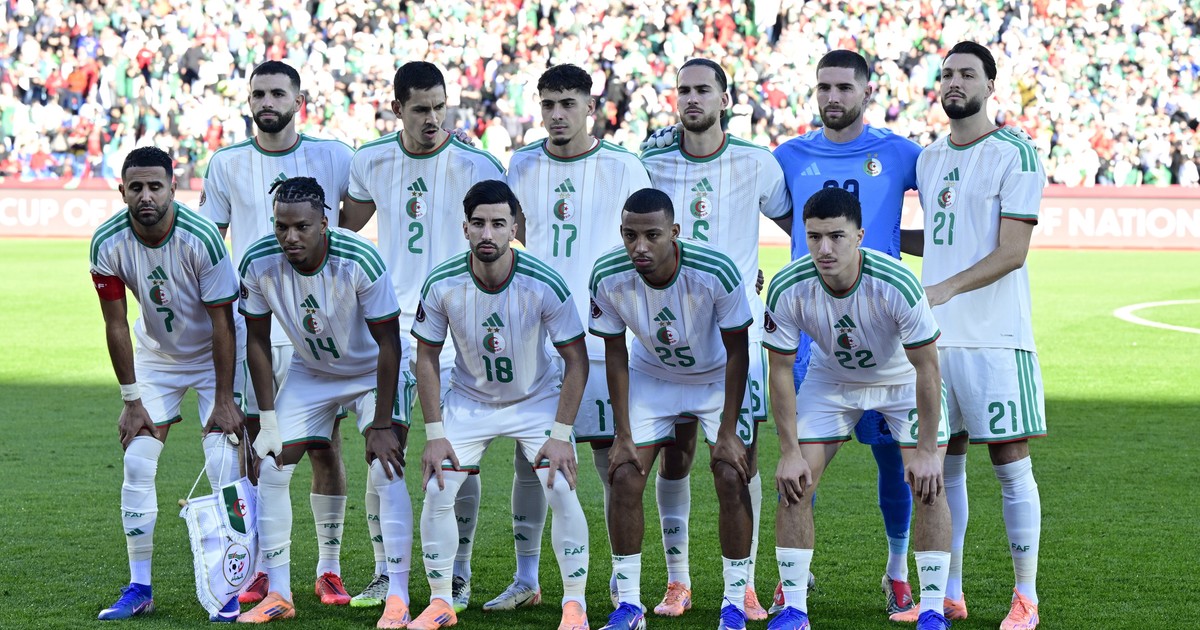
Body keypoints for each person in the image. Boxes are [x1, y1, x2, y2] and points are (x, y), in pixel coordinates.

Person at [483, 62, 650, 611]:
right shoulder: (521, 163)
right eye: (548, 104)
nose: (557, 115)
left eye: (568, 104)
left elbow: (645, 242)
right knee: (529, 460)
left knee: (610, 459)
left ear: (590, 108)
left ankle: (620, 580)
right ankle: (527, 579)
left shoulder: (624, 166)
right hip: (537, 339)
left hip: (601, 337)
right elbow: (509, 237)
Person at [340, 60, 505, 612]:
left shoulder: (477, 163)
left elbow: (506, 235)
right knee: (381, 450)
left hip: (459, 332)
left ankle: (457, 572)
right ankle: (384, 572)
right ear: (398, 109)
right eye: (420, 109)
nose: (433, 119)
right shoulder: (370, 160)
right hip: (389, 329)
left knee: (457, 458)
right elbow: (344, 228)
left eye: (440, 107)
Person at [770, 49, 924, 619]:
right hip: (811, 335)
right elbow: (776, 216)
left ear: (866, 91)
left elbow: (949, 210)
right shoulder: (788, 155)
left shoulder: (901, 153)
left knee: (896, 465)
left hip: (884, 335)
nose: (832, 97)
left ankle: (898, 571)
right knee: (799, 465)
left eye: (843, 87)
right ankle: (794, 580)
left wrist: (894, 243)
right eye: (824, 87)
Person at [638, 57, 792, 621]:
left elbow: (796, 227)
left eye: (704, 90)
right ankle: (677, 581)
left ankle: (743, 583)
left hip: (735, 338)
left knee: (739, 459)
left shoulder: (757, 162)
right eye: (683, 90)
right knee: (674, 456)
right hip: (666, 334)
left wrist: (773, 287)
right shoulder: (650, 161)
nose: (692, 99)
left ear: (725, 100)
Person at [200, 60, 357, 607]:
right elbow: (212, 243)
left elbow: (362, 210)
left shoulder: (335, 156)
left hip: (320, 329)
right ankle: (266, 568)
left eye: (277, 93)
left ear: (298, 100)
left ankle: (329, 568)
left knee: (325, 446)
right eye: (258, 93)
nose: (267, 102)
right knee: (257, 447)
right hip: (256, 326)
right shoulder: (226, 162)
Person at [763, 187, 952, 630]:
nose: (824, 249)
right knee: (795, 483)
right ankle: (794, 609)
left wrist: (927, 451)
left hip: (900, 381)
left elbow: (927, 368)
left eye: (836, 236)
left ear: (859, 236)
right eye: (814, 237)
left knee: (929, 484)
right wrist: (789, 452)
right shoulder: (788, 286)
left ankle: (931, 611)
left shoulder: (896, 282)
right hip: (832, 381)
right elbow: (780, 371)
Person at [409, 179, 591, 630]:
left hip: (535, 399)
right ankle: (440, 601)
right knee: (437, 488)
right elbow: (426, 358)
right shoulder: (442, 281)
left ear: (514, 228)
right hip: (470, 401)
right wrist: (435, 434)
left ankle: (574, 604)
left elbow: (577, 360)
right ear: (465, 229)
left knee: (560, 486)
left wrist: (560, 435)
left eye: (497, 223)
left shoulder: (544, 281)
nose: (487, 233)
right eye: (478, 224)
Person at [235, 177, 412, 627]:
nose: (290, 237)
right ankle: (279, 593)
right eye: (281, 227)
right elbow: (256, 342)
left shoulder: (359, 258)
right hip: (311, 372)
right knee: (271, 467)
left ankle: (398, 594)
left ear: (324, 224)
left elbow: (389, 343)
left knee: (385, 467)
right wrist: (268, 420)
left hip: (372, 370)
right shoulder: (257, 261)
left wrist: (382, 424)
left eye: (302, 227)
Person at [914, 41, 1047, 630]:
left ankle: (1026, 597)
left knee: (1010, 462)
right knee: (944, 467)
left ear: (991, 85)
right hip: (936, 341)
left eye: (967, 74)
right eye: (946, 74)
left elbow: (1012, 251)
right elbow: (943, 237)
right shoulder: (929, 158)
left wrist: (945, 289)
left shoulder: (1016, 152)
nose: (954, 82)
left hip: (996, 337)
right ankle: (950, 592)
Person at [90, 146, 244, 622]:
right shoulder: (107, 243)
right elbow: (116, 324)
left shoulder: (202, 237)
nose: (146, 195)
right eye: (136, 187)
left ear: (173, 188)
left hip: (215, 356)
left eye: (155, 186)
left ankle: (229, 587)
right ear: (122, 191)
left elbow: (224, 324)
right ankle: (140, 587)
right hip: (157, 358)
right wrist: (131, 399)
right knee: (137, 462)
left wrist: (224, 400)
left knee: (224, 464)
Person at [591, 188, 754, 630]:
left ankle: (734, 604)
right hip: (653, 375)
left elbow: (738, 351)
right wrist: (623, 435)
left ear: (674, 232)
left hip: (716, 375)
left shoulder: (714, 270)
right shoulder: (607, 274)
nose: (639, 247)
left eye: (652, 235)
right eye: (630, 236)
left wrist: (727, 431)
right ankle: (629, 606)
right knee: (624, 474)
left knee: (730, 473)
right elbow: (614, 354)